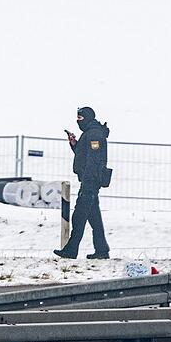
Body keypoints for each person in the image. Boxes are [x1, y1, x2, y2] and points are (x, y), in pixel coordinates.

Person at [54, 107, 111, 259]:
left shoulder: (94, 134)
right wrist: (74, 144)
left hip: (90, 182)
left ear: (88, 118)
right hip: (89, 181)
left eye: (80, 118)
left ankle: (71, 250)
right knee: (94, 219)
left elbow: (94, 160)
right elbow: (85, 155)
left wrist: (88, 183)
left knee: (79, 216)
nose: (78, 121)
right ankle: (102, 250)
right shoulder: (89, 132)